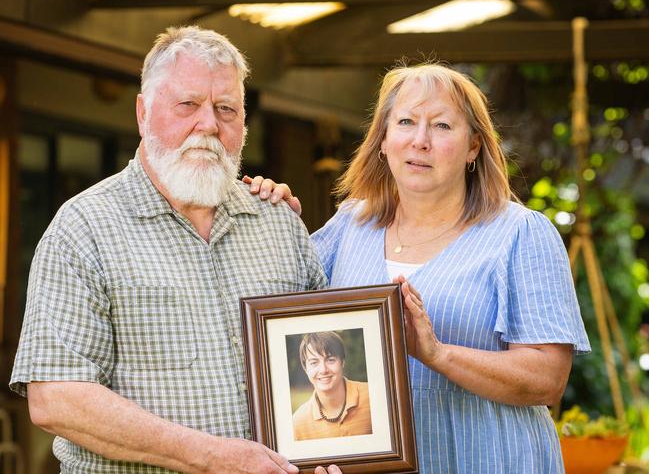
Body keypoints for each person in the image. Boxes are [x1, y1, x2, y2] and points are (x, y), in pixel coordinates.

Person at [9, 26, 341, 474]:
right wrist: (208, 456)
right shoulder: (84, 229)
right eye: (188, 105)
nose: (208, 124)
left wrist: (333, 451)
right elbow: (56, 399)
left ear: (243, 124)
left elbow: (317, 355)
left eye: (226, 109)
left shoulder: (279, 223)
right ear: (143, 113)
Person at [246, 63, 591, 473]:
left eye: (442, 126)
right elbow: (281, 316)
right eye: (406, 122)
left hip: (489, 459)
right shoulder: (348, 227)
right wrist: (270, 217)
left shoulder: (520, 235)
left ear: (474, 147)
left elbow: (548, 379)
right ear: (384, 141)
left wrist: (437, 354)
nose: (420, 141)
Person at [292, 331, 372, 441]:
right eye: (314, 362)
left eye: (330, 360)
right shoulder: (298, 422)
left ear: (342, 362)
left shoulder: (372, 395)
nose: (323, 370)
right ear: (306, 369)